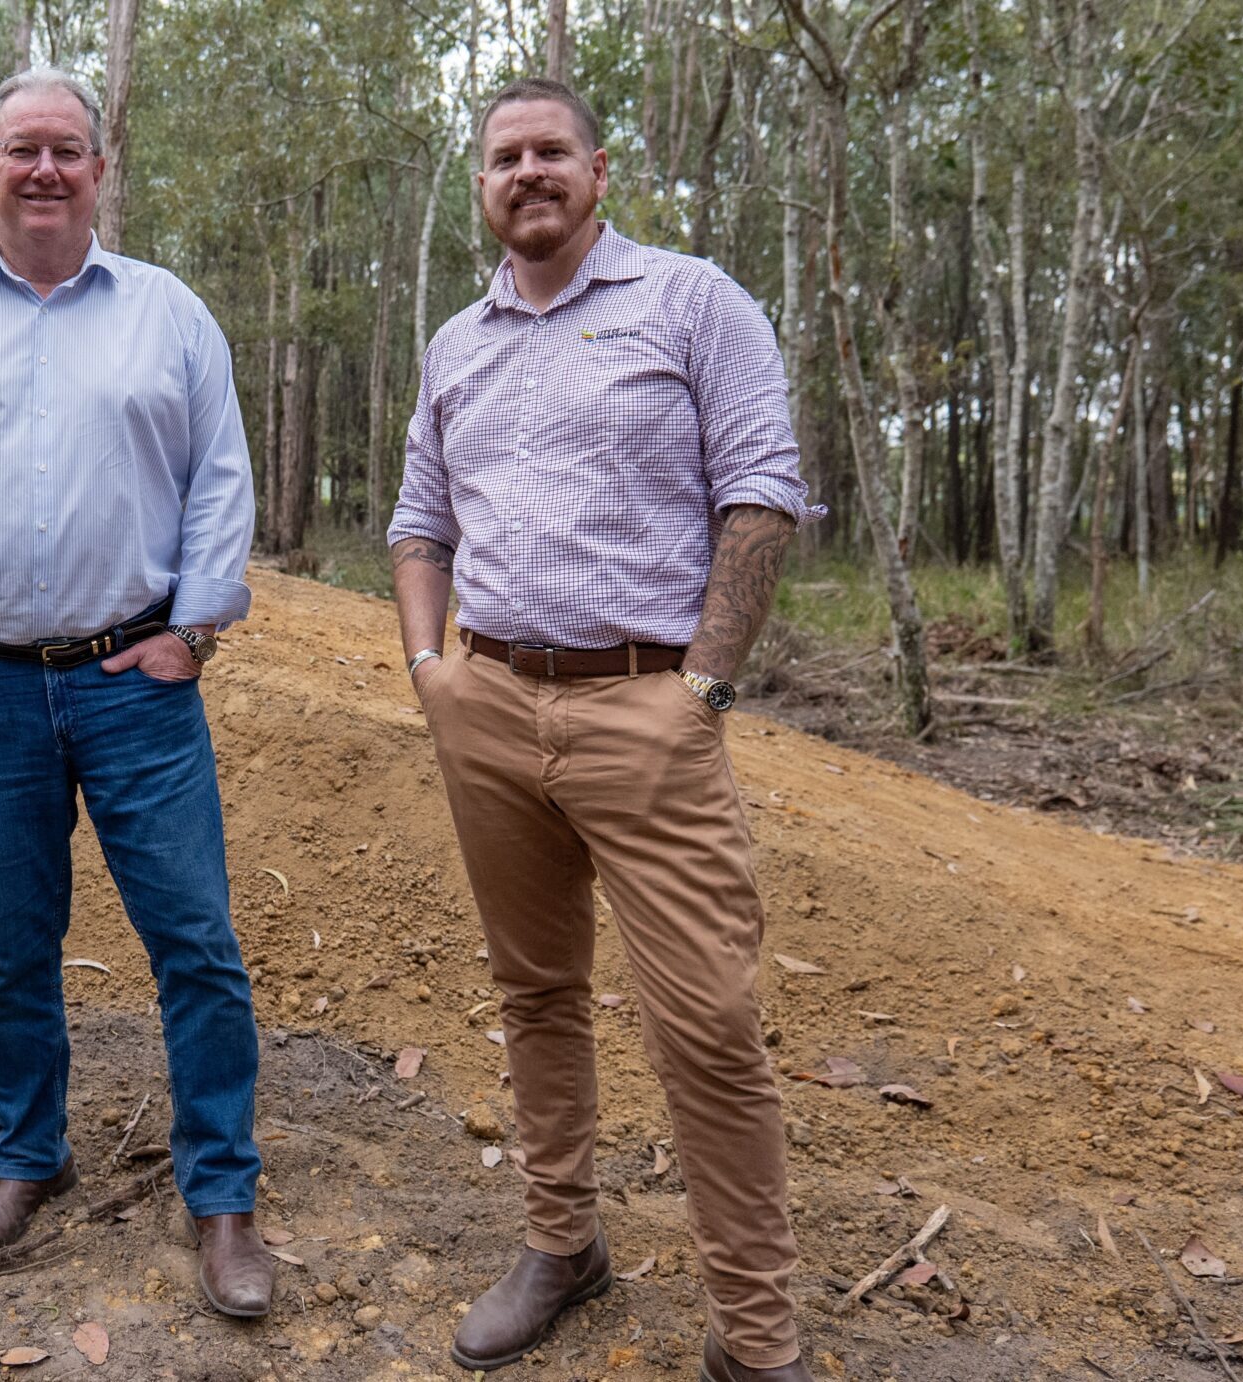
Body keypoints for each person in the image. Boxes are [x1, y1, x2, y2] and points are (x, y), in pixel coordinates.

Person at [387, 77, 823, 1381]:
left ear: (599, 170)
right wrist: (428, 665)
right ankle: (562, 1241)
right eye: (504, 156)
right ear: (481, 182)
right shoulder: (457, 342)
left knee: (707, 1025)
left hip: (648, 711)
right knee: (535, 992)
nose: (529, 173)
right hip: (489, 703)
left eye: (551, 153)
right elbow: (420, 519)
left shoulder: (691, 303)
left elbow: (761, 496)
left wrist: (700, 689)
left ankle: (756, 1335)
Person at [0, 67, 276, 1318]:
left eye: (66, 150)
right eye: (19, 149)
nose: (43, 169)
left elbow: (218, 479)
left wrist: (195, 632)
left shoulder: (167, 314)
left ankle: (224, 1199)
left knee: (196, 942)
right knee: (10, 946)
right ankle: (31, 1157)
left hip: (136, 683)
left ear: (98, 169)